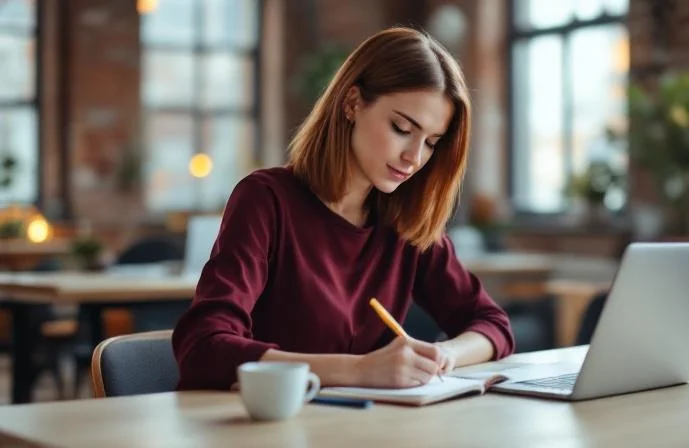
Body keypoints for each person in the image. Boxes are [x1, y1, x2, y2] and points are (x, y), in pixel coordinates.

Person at [171, 27, 515, 391]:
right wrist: (359, 370)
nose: (414, 158)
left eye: (431, 142)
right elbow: (203, 347)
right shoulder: (266, 200)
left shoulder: (405, 220)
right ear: (352, 103)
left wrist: (442, 355)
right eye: (401, 128)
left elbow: (492, 324)